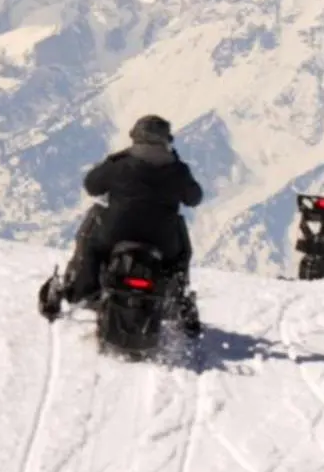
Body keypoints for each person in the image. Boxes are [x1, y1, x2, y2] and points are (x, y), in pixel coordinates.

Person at [40, 114, 204, 328]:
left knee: (92, 240)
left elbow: (92, 185)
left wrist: (113, 161)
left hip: (115, 234)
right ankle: (177, 297)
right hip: (162, 242)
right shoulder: (178, 170)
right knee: (180, 252)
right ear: (166, 140)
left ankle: (81, 289)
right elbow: (195, 198)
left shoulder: (121, 164)